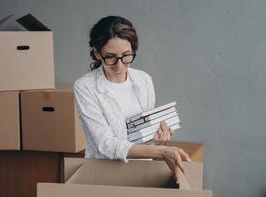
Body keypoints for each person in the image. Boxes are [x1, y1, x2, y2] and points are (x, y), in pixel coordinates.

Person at [73, 16, 191, 183]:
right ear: (97, 53)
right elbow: (105, 144)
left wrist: (159, 141)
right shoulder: (85, 87)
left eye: (126, 56)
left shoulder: (144, 80)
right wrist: (162, 152)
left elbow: (147, 140)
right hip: (103, 173)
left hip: (142, 171)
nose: (119, 65)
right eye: (110, 57)